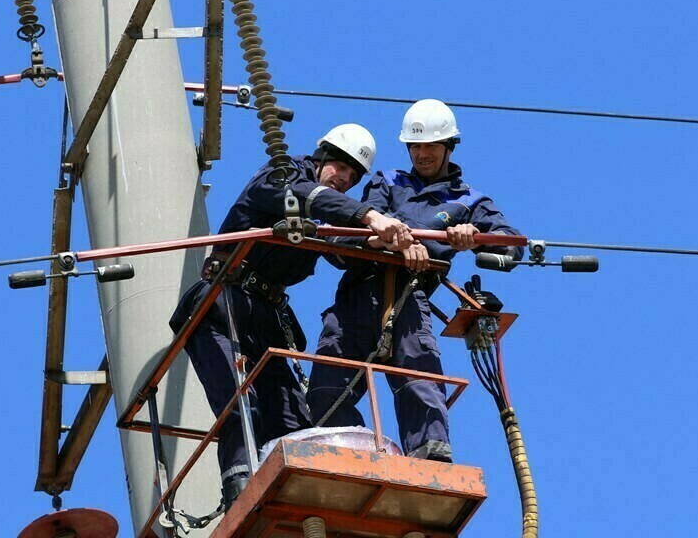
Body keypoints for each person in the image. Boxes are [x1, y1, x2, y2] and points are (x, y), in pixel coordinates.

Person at [170, 124, 413, 508]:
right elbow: (307, 196)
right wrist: (370, 216)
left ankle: (295, 498)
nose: (343, 181)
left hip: (267, 318)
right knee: (241, 405)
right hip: (223, 305)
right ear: (321, 158)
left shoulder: (323, 211)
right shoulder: (281, 178)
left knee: (293, 421)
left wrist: (376, 240)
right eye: (340, 169)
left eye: (352, 179)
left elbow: (338, 245)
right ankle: (239, 490)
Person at [307, 100, 524, 463]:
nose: (422, 154)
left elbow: (511, 245)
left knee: (419, 380)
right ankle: (344, 456)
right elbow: (357, 226)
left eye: (431, 146)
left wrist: (472, 238)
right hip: (358, 295)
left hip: (410, 299)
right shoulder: (388, 182)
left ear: (449, 147)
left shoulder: (468, 201)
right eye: (415, 146)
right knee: (327, 388)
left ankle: (430, 462)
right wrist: (398, 240)